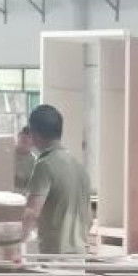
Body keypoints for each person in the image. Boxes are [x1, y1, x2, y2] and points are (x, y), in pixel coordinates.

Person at [21, 104, 91, 256]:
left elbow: (32, 212)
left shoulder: (44, 165)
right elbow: (88, 217)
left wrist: (16, 245)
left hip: (55, 255)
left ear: (35, 134)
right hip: (80, 254)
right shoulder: (79, 167)